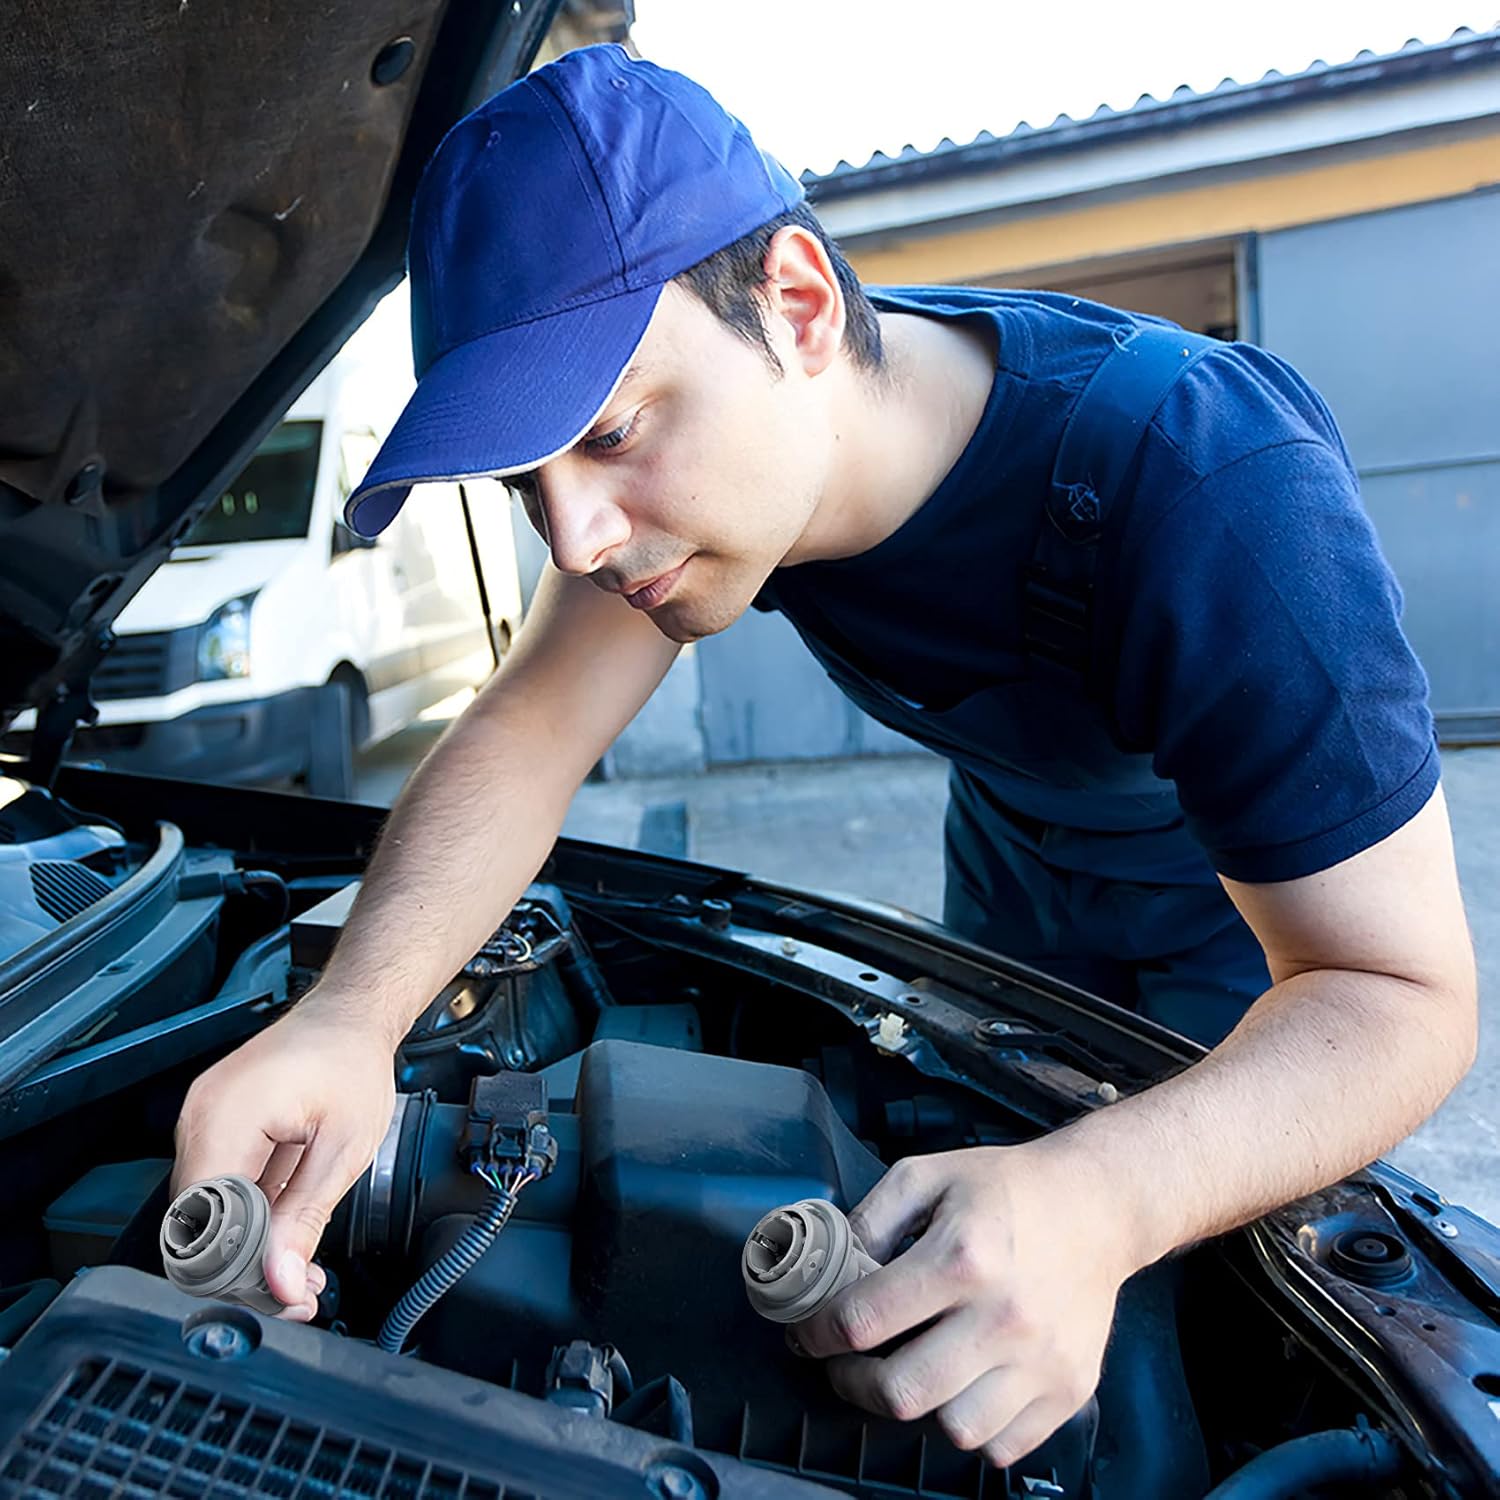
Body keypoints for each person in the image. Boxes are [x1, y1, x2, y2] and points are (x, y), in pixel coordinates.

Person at [173, 45, 1476, 1469]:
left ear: (795, 306)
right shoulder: (729, 477)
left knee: (1215, 1352)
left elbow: (1396, 995)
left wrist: (1111, 1197)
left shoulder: (1216, 488)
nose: (578, 538)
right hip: (1018, 898)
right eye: (525, 483)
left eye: (610, 434)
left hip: (1256, 953)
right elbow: (524, 731)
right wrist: (352, 1022)